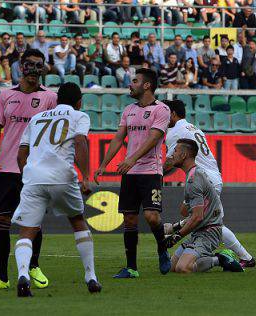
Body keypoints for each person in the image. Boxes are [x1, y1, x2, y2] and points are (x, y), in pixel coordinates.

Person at [0, 49, 57, 291]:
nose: (34, 70)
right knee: (1, 221)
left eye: (39, 65)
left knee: (32, 222)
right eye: (30, 65)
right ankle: (1, 278)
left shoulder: (50, 98)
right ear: (21, 67)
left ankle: (33, 266)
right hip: (5, 168)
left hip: (34, 169)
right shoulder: (5, 95)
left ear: (43, 69)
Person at [12, 82, 101, 297]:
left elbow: (20, 153)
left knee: (27, 231)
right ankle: (91, 277)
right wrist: (86, 176)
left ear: (56, 100)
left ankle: (23, 275)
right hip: (62, 175)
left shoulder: (36, 118)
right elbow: (80, 142)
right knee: (77, 221)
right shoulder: (79, 116)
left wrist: (28, 174)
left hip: (33, 177)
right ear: (79, 101)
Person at [94, 68, 171, 279]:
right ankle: (131, 268)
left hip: (151, 171)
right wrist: (103, 164)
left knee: (152, 217)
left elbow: (154, 138)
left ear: (147, 85)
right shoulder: (128, 110)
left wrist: (131, 159)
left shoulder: (161, 110)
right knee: (129, 220)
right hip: (130, 173)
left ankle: (162, 249)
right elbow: (119, 138)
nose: (130, 84)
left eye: (135, 80)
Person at [163, 100, 255, 268]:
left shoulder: (175, 133)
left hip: (203, 179)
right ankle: (245, 258)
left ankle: (244, 258)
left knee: (212, 222)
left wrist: (151, 174)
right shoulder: (192, 127)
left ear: (173, 114)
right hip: (210, 176)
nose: (161, 117)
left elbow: (169, 164)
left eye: (164, 113)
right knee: (205, 219)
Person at [163, 139, 245, 274]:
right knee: (171, 267)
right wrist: (176, 226)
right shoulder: (193, 175)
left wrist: (176, 236)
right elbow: (184, 212)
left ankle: (220, 258)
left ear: (184, 155)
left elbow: (197, 217)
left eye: (176, 151)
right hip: (199, 231)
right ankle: (214, 258)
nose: (172, 154)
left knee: (183, 268)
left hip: (209, 231)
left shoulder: (194, 178)